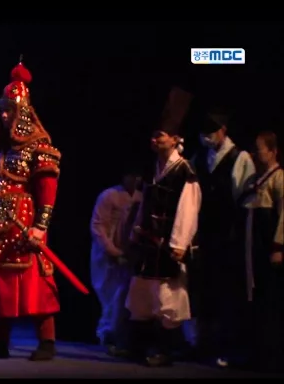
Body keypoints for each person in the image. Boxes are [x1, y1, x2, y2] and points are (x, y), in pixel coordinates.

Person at [0, 58, 62, 361]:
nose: (4, 114)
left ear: (22, 111)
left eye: (9, 109)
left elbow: (47, 191)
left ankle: (47, 341)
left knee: (37, 283)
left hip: (25, 225)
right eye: (2, 109)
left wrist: (40, 227)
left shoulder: (38, 146)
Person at [124, 86, 202, 367]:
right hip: (148, 242)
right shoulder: (153, 168)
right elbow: (142, 202)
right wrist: (134, 229)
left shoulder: (184, 171)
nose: (154, 139)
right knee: (142, 293)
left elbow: (188, 209)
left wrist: (179, 243)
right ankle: (138, 346)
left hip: (167, 244)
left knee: (167, 297)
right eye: (154, 135)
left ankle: (165, 350)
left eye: (160, 135)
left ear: (175, 139)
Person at [189, 106, 256, 367]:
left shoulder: (240, 158)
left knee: (227, 291)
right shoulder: (200, 157)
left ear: (223, 131)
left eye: (211, 131)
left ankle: (227, 347)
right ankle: (202, 344)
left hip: (229, 235)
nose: (207, 137)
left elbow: (244, 199)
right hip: (204, 233)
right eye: (203, 132)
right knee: (203, 290)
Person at [242, 130, 283, 373]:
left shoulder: (279, 178)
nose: (256, 154)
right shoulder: (254, 179)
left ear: (273, 151)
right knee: (255, 299)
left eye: (260, 149)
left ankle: (271, 357)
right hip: (252, 248)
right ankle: (255, 352)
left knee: (271, 300)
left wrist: (278, 247)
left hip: (267, 246)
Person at [90, 169, 142, 350]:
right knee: (109, 296)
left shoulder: (140, 197)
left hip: (127, 254)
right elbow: (98, 226)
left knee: (122, 298)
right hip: (106, 255)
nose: (135, 179)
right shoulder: (109, 195)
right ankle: (106, 334)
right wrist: (112, 251)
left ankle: (115, 335)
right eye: (132, 175)